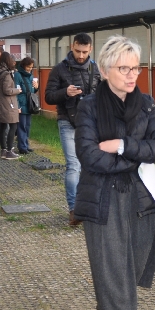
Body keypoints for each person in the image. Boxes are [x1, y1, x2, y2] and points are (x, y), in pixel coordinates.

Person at [74, 36, 155, 310]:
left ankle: (111, 304)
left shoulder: (146, 104)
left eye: (135, 68)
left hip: (142, 197)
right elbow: (88, 155)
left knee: (135, 260)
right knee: (115, 265)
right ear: (104, 70)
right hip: (103, 198)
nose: (132, 75)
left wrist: (122, 146)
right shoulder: (87, 107)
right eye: (124, 68)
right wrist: (132, 158)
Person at [44, 33, 100, 225]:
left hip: (91, 124)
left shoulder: (97, 69)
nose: (81, 55)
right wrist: (65, 92)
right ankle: (74, 210)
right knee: (73, 165)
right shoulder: (59, 69)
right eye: (78, 51)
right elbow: (49, 97)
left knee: (89, 166)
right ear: (72, 46)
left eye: (85, 52)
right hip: (67, 121)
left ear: (91, 49)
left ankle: (87, 206)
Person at [0, 53, 20, 159]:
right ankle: (9, 150)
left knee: (3, 125)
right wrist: (17, 90)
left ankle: (3, 150)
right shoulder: (6, 74)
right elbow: (7, 90)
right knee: (13, 125)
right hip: (8, 103)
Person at [14, 57, 38, 154]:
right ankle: (22, 147)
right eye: (28, 67)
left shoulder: (31, 75)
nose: (30, 69)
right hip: (22, 103)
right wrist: (18, 106)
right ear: (23, 65)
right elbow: (15, 92)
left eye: (31, 67)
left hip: (29, 104)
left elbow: (32, 90)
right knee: (22, 126)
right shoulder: (17, 75)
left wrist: (36, 87)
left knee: (27, 126)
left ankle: (26, 145)